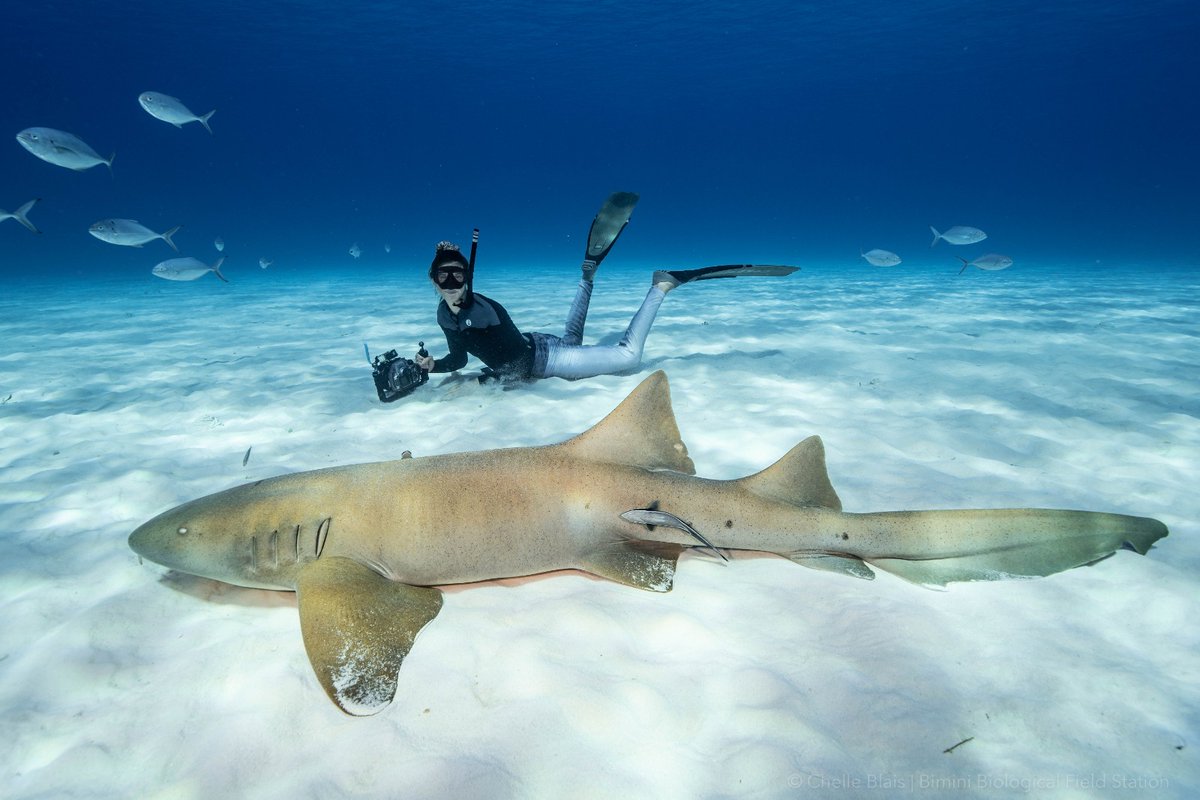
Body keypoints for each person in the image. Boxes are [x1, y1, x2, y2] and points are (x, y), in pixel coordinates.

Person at [415, 192, 796, 383]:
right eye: (444, 278)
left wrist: (496, 369)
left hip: (543, 360)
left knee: (628, 357)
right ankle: (588, 274)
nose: (453, 285)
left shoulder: (484, 309)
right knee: (573, 336)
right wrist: (434, 367)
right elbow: (461, 359)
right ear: (433, 283)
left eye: (459, 275)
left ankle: (662, 285)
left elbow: (512, 354)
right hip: (543, 342)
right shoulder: (443, 316)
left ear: (468, 277)